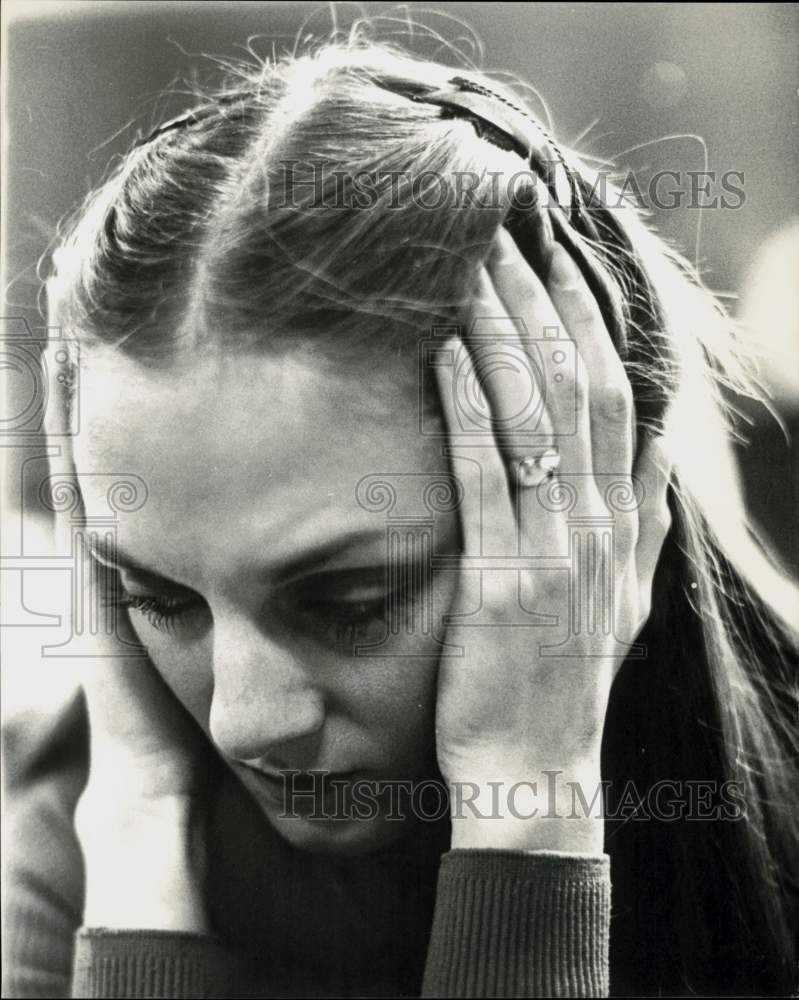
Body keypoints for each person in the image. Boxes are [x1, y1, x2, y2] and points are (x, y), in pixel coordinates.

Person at [2, 36, 797, 999]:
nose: (243, 720)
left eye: (351, 600)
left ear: (597, 510)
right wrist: (136, 823)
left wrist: (527, 804)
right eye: (159, 596)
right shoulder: (66, 849)